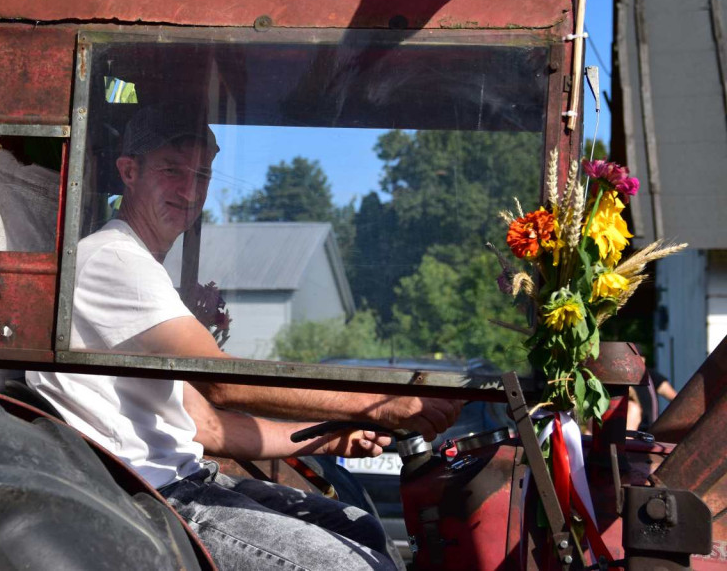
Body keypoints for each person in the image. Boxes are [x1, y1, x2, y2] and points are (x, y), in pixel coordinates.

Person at [27, 106, 463, 571]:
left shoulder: (143, 266)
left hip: (186, 475)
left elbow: (206, 427)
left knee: (361, 526)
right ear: (128, 171)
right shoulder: (112, 259)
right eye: (172, 170)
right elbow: (225, 382)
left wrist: (328, 441)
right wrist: (380, 399)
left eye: (202, 174)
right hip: (146, 494)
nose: (190, 190)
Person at [626, 367, 678, 432]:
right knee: (632, 409)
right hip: (630, 431)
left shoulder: (650, 375)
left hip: (649, 431)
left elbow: (676, 399)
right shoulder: (621, 375)